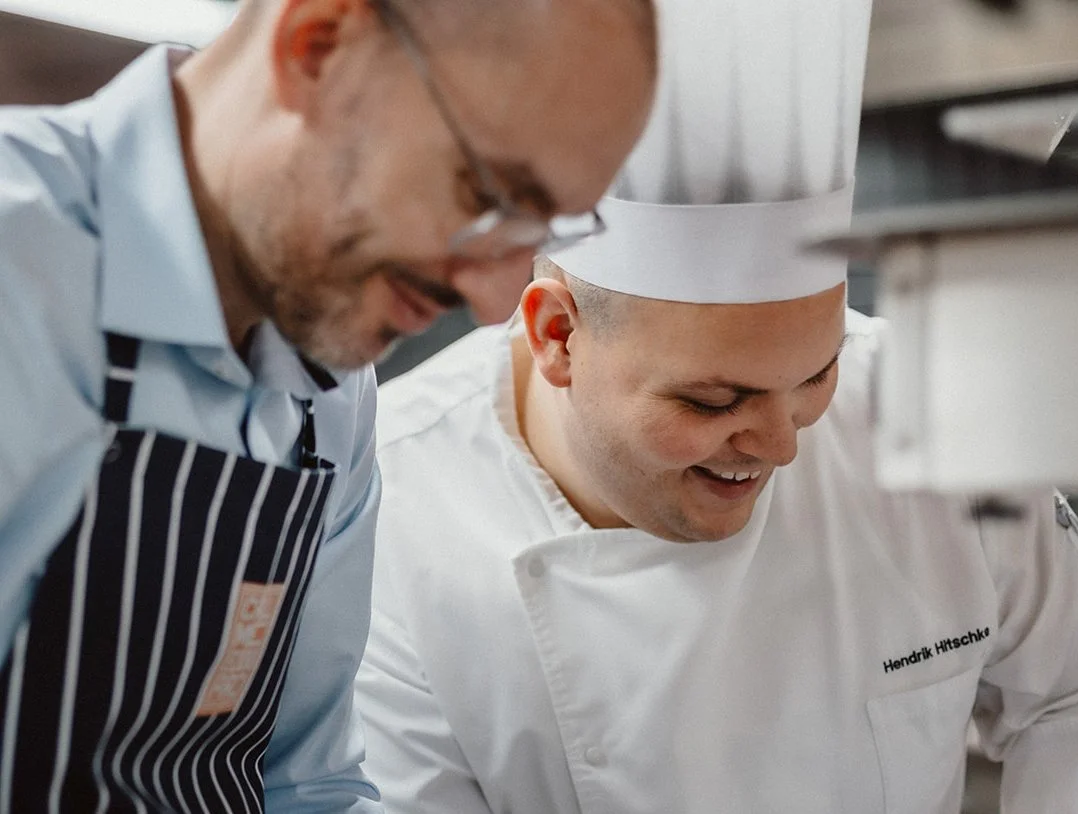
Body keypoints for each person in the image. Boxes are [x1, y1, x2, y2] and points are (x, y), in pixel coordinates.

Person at [353, 0, 1078, 811]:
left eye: (814, 375)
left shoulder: (923, 413)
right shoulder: (388, 510)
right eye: (714, 398)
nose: (779, 445)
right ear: (558, 335)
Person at [0, 0, 655, 809]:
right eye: (485, 196)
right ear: (318, 43)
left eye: (540, 230)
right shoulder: (16, 267)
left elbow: (306, 782)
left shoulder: (332, 391)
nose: (492, 302)